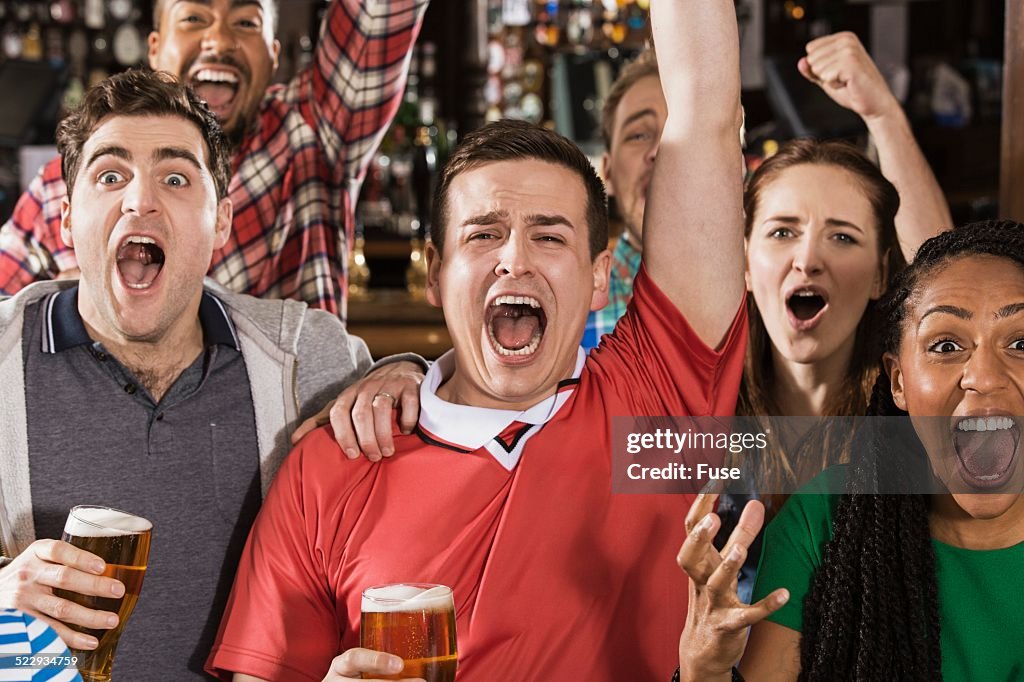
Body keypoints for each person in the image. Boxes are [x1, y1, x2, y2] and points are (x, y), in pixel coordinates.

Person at [207, 0, 749, 678]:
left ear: (598, 276)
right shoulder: (330, 463)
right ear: (435, 274)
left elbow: (706, 111)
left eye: (549, 236)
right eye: (484, 234)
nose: (514, 260)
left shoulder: (655, 417)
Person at [0, 70, 414, 681]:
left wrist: (410, 372)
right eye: (110, 176)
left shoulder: (305, 358)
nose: (140, 201)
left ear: (220, 221)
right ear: (65, 219)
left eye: (175, 177)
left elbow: (449, 437)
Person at [677, 220, 1024, 682]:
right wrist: (703, 670)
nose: (982, 375)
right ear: (898, 381)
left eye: (1021, 343)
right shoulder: (825, 516)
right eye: (945, 345)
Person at [0, 0, 429, 318]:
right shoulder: (68, 180)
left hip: (298, 435)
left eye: (246, 22)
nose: (220, 41)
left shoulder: (312, 130)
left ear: (273, 54)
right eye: (193, 18)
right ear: (155, 47)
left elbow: (380, 15)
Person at [582, 31, 949, 351]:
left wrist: (882, 115)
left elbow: (942, 288)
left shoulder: (774, 273)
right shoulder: (572, 297)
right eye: (639, 134)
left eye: (685, 134)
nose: (661, 150)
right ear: (607, 173)